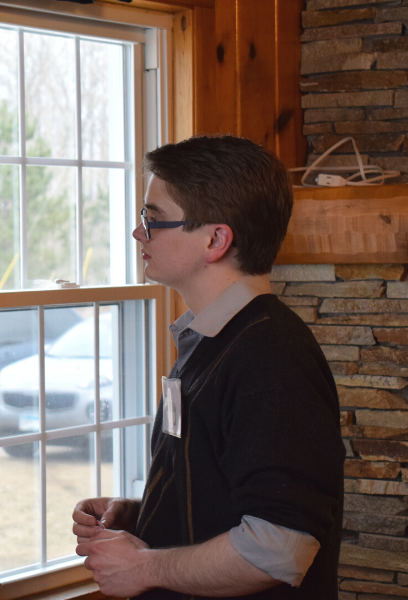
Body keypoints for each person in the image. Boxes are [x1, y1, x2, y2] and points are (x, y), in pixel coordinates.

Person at [72, 136, 344, 599]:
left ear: (216, 239)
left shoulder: (271, 358)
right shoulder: (211, 340)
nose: (139, 234)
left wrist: (144, 566)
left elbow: (279, 548)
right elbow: (227, 497)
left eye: (153, 220)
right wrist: (147, 513)